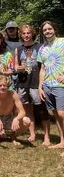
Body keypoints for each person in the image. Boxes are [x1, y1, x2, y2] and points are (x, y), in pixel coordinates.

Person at [15, 25, 50, 145]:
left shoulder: (39, 47)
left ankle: (46, 136)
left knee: (41, 109)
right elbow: (15, 66)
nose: (26, 35)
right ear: (21, 35)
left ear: (32, 34)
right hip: (23, 83)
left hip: (36, 82)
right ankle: (32, 134)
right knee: (27, 109)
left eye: (28, 33)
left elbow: (45, 64)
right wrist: (18, 68)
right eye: (24, 33)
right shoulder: (18, 49)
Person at [37, 21, 64, 150]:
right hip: (47, 85)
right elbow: (42, 68)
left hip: (61, 85)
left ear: (54, 29)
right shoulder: (42, 48)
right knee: (56, 114)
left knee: (62, 113)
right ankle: (62, 141)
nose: (47, 31)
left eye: (50, 29)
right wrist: (40, 87)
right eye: (45, 30)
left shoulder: (62, 42)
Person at [0, 75, 30, 145]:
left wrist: (16, 118)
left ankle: (13, 137)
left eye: (4, 85)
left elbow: (22, 112)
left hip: (9, 117)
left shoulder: (13, 93)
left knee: (27, 121)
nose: (2, 87)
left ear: (7, 85)